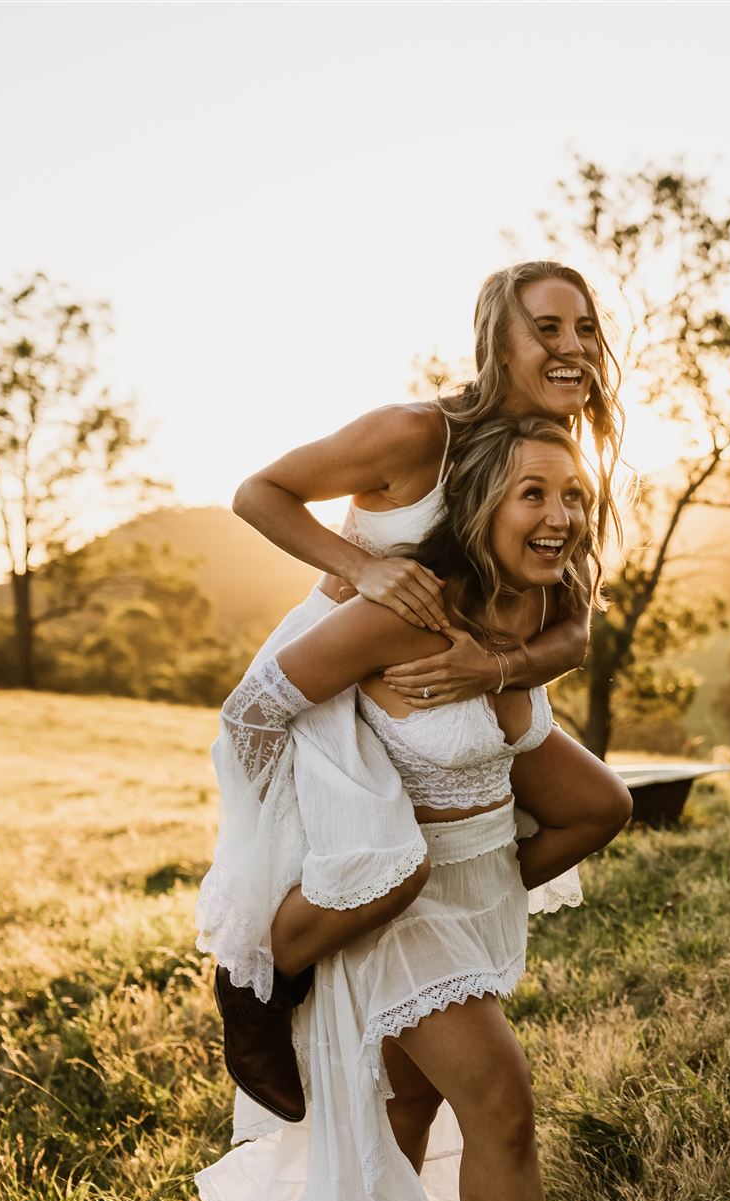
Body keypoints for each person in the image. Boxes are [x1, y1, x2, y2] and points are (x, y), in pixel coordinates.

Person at [197, 416, 606, 1201]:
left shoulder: (542, 608)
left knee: (403, 1117)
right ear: (478, 506)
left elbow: (559, 688)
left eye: (574, 495)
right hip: (389, 909)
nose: (560, 515)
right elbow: (253, 713)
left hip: (467, 902)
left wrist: (497, 867)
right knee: (501, 1100)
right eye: (532, 495)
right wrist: (309, 828)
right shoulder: (408, 610)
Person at [205, 262, 634, 1123]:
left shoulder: (557, 463)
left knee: (598, 805)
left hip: (471, 682)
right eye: (547, 328)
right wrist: (364, 567)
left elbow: (575, 632)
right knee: (385, 873)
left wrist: (496, 671)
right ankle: (260, 977)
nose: (573, 348)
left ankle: (442, 931)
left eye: (585, 328)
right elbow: (260, 492)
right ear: (496, 340)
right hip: (349, 673)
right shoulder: (412, 432)